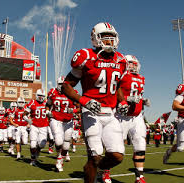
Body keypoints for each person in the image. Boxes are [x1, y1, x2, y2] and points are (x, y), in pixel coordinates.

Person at [62, 22, 128, 183]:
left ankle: (97, 170)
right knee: (95, 155)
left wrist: (123, 101)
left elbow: (116, 85)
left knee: (117, 156)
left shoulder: (121, 60)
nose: (110, 42)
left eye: (112, 39)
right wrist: (84, 100)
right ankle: (92, 171)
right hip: (91, 112)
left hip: (110, 113)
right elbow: (66, 85)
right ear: (95, 39)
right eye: (105, 38)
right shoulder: (86, 57)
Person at [117, 54, 150, 183]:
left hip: (137, 117)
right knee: (116, 149)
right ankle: (104, 171)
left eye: (135, 64)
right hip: (121, 116)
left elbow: (137, 96)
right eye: (130, 63)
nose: (133, 66)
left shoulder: (141, 78)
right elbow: (112, 94)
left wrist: (143, 101)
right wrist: (127, 99)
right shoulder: (121, 75)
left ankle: (139, 177)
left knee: (141, 145)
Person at [47, 77, 80, 172]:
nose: (62, 86)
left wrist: (73, 110)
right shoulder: (53, 92)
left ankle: (61, 158)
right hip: (56, 119)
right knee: (58, 141)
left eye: (63, 84)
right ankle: (58, 157)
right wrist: (47, 111)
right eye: (60, 84)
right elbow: (48, 104)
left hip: (68, 121)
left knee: (66, 146)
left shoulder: (72, 93)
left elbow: (79, 108)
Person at [24, 89, 51, 166]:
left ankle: (37, 152)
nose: (41, 97)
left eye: (42, 96)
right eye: (39, 96)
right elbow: (24, 114)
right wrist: (28, 121)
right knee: (32, 144)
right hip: (34, 126)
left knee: (42, 144)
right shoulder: (32, 102)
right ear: (36, 95)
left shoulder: (46, 104)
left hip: (44, 126)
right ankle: (33, 159)